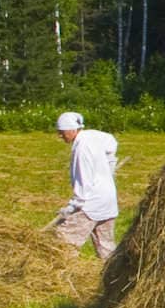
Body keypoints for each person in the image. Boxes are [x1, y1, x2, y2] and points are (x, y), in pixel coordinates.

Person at [51, 111, 120, 260]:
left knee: (63, 242)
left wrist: (72, 207)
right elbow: (112, 143)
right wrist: (109, 167)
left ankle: (62, 276)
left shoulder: (82, 149)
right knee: (106, 248)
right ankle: (114, 277)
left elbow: (84, 181)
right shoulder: (92, 135)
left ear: (72, 130)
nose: (59, 135)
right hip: (108, 200)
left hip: (90, 204)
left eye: (62, 132)